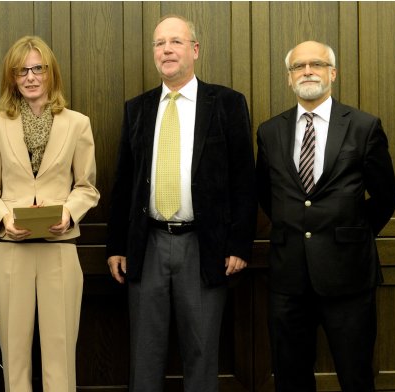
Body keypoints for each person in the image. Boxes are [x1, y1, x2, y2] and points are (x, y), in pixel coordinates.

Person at [106, 15, 256, 392]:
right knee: (145, 354)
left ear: (195, 50)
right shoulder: (137, 108)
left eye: (175, 41)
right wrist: (116, 247)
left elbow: (244, 180)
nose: (167, 49)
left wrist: (239, 244)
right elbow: (123, 183)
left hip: (204, 247)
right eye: (159, 43)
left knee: (202, 353)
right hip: (148, 246)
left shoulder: (226, 103)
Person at [256, 40, 395, 392]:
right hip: (288, 278)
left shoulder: (364, 126)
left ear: (332, 73)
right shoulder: (270, 131)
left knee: (355, 376)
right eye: (298, 66)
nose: (307, 71)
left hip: (348, 276)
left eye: (316, 64)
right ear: (289, 78)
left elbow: (386, 197)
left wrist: (353, 233)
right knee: (290, 379)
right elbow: (266, 195)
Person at [0, 36, 99, 392]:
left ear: (51, 73)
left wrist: (69, 214)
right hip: (11, 251)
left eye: (37, 68)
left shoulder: (78, 124)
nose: (30, 77)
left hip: (59, 249)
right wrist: (5, 219)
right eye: (21, 70)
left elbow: (87, 187)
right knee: (14, 358)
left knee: (60, 357)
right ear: (12, 78)